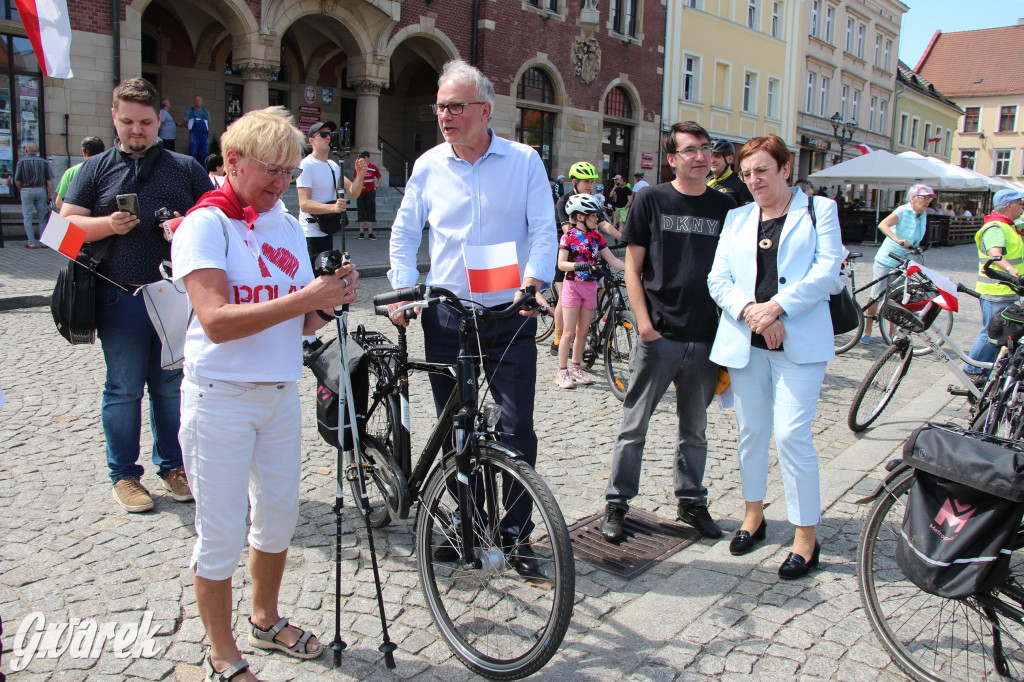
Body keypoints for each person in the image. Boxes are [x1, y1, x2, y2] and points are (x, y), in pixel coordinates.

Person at [172, 106, 359, 682]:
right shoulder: (205, 223)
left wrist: (329, 302)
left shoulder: (281, 221)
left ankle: (265, 618)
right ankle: (222, 651)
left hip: (280, 394)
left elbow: (300, 324)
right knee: (222, 532)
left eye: (288, 170)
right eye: (271, 170)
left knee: (277, 521)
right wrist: (306, 299)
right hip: (220, 398)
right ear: (232, 162)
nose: (281, 183)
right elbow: (217, 320)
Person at [388, 59, 556, 576]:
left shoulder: (523, 160)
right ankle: (468, 523)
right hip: (446, 316)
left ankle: (516, 533)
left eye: (456, 106)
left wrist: (535, 283)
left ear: (485, 110)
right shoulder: (428, 165)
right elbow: (403, 231)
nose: (446, 115)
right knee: (455, 427)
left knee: (515, 427)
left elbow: (544, 229)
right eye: (441, 106)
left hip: (508, 312)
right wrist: (401, 290)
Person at [61, 77, 213, 513]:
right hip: (119, 297)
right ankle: (124, 475)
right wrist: (107, 225)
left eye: (145, 122)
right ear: (114, 117)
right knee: (124, 388)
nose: (137, 130)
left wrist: (186, 223)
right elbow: (63, 230)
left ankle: (173, 465)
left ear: (159, 120)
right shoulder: (95, 168)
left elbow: (215, 219)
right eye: (127, 121)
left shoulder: (185, 168)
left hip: (173, 298)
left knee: (170, 388)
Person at [707, 134, 843, 580]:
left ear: (786, 168)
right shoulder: (737, 217)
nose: (754, 180)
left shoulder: (819, 211)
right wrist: (753, 313)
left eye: (762, 170)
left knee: (791, 436)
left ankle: (806, 537)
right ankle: (754, 516)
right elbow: (718, 278)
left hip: (799, 343)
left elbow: (826, 272)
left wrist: (778, 307)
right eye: (747, 173)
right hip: (749, 340)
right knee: (751, 432)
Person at [600, 121, 736, 543]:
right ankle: (617, 504)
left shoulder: (725, 207)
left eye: (705, 148)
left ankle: (691, 501)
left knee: (695, 429)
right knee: (634, 424)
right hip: (660, 333)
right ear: (672, 158)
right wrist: (644, 325)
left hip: (707, 336)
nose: (700, 156)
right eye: (691, 149)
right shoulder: (651, 200)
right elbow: (634, 270)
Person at [554, 193, 625, 388]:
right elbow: (561, 264)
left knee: (582, 331)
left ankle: (576, 367)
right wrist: (579, 266)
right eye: (593, 216)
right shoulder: (568, 237)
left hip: (590, 287)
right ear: (579, 217)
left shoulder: (597, 237)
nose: (596, 219)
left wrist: (632, 268)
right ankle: (562, 371)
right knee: (568, 332)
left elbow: (613, 259)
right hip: (572, 286)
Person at [550, 161, 620, 355]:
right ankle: (558, 338)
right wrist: (586, 236)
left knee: (593, 290)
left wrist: (625, 238)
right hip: (567, 254)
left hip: (589, 252)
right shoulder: (566, 201)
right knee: (565, 298)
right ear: (574, 181)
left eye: (592, 181)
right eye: (586, 181)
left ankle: (591, 334)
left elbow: (604, 224)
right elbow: (567, 229)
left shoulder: (592, 202)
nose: (589, 185)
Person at [860, 184, 934, 343]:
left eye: (929, 198)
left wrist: (917, 246)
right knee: (876, 295)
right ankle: (867, 331)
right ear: (913, 198)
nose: (927, 201)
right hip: (887, 258)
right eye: (924, 198)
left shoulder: (923, 215)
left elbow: (916, 236)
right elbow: (883, 225)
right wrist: (897, 240)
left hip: (904, 261)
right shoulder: (902, 211)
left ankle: (891, 333)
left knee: (896, 298)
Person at [964, 189, 1024, 379]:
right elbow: (995, 253)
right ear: (1009, 205)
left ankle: (988, 369)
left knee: (999, 331)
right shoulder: (996, 227)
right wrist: (1010, 270)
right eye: (1020, 203)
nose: (1022, 207)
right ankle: (973, 370)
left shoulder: (1009, 225)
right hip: (997, 289)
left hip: (1008, 289)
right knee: (992, 331)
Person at [296, 121, 366, 265]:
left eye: (330, 135)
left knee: (328, 274)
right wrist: (333, 208)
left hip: (327, 229)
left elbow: (353, 192)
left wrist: (360, 175)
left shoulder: (333, 165)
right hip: (311, 233)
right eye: (323, 135)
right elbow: (304, 204)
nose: (328, 138)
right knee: (315, 277)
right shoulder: (306, 165)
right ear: (311, 141)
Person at [13, 141, 53, 248]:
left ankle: (31, 242)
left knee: (27, 216)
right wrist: (51, 194)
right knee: (42, 217)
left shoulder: (21, 162)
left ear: (26, 151)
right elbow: (49, 180)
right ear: (38, 151)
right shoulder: (43, 162)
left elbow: (17, 180)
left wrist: (21, 189)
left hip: (26, 190)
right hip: (40, 189)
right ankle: (44, 241)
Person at [55, 136, 105, 210]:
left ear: (83, 152)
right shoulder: (110, 170)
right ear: (104, 151)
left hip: (78, 218)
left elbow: (59, 202)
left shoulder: (71, 172)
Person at [706, 138, 753, 206]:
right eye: (710, 156)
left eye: (717, 156)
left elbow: (748, 211)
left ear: (730, 159)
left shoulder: (741, 182)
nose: (712, 160)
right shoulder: (705, 181)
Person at [356, 150, 382, 239]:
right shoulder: (358, 168)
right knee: (361, 212)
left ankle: (370, 233)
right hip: (360, 192)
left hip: (370, 192)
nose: (362, 159)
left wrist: (376, 186)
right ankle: (361, 233)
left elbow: (379, 177)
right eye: (361, 158)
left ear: (367, 158)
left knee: (370, 212)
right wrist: (359, 186)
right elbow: (355, 179)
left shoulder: (373, 167)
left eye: (363, 158)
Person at [184, 94, 211, 165]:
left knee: (204, 154)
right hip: (194, 135)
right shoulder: (189, 111)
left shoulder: (206, 112)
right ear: (194, 102)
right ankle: (193, 172)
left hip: (204, 135)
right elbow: (184, 122)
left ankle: (204, 172)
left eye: (199, 100)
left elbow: (208, 124)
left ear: (201, 102)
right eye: (196, 100)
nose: (197, 101)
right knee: (193, 153)